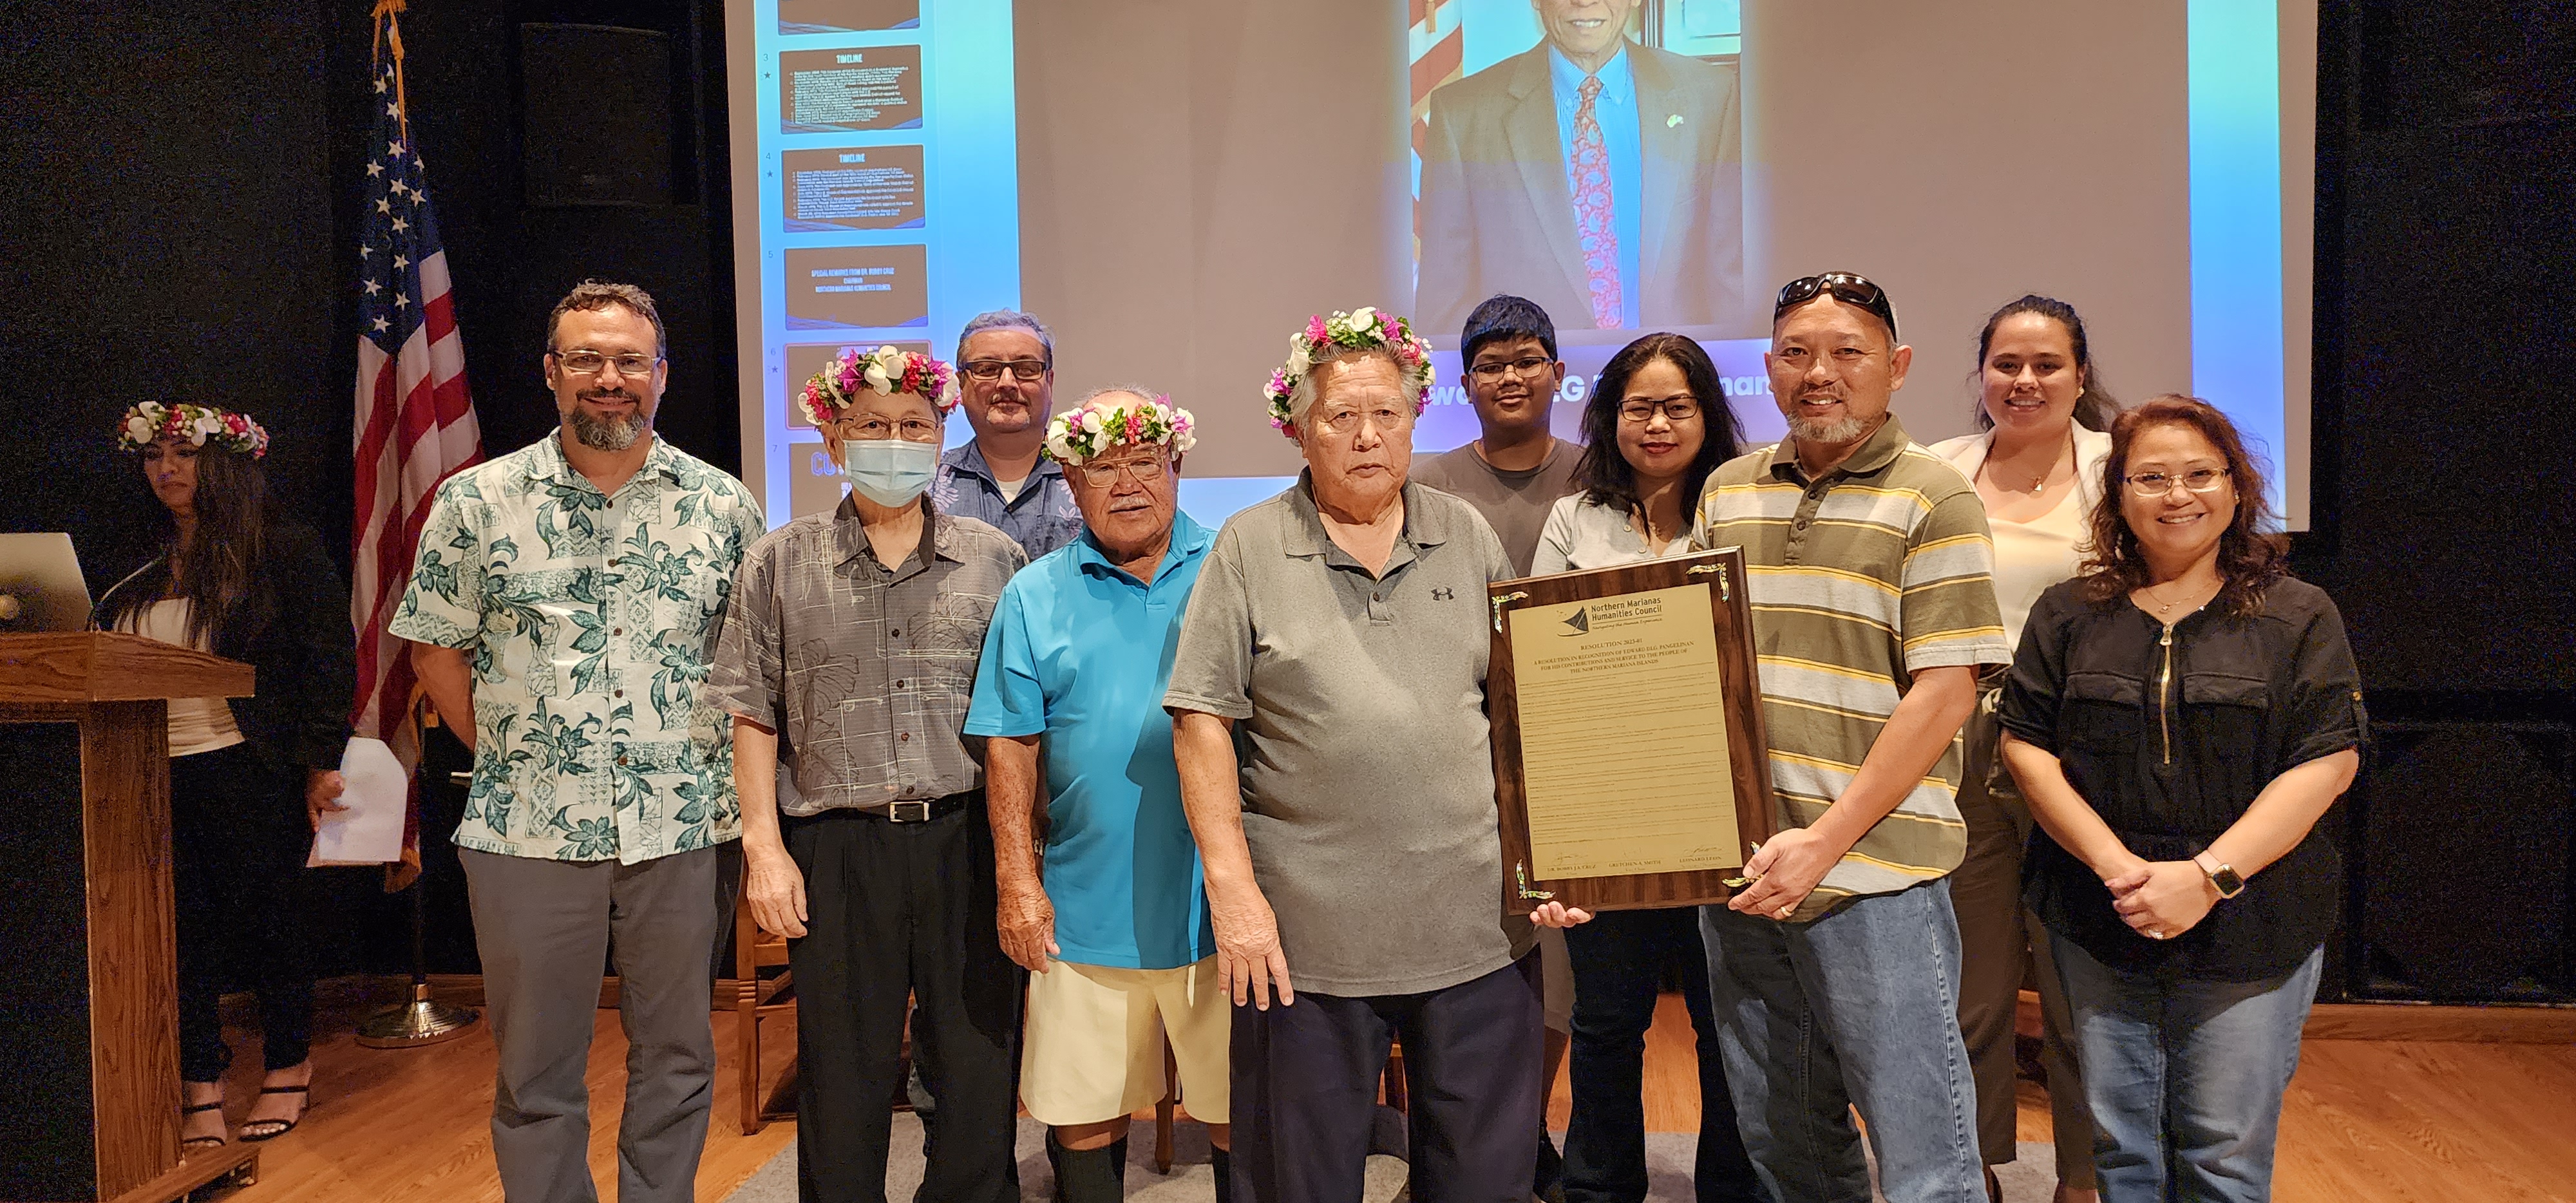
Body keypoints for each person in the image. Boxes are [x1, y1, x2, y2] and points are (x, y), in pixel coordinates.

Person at [1165, 307, 1589, 1203]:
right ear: (1299, 427)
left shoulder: (1467, 533)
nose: (1366, 437)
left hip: (1476, 926)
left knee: (1485, 1176)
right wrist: (1234, 895)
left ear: (1413, 422)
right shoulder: (1247, 545)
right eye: (1340, 418)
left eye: (1386, 416)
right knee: (1302, 1181)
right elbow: (1201, 719)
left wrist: (1562, 851)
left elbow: (1523, 713)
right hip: (1303, 944)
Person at [393, 281, 764, 1203]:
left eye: (630, 360)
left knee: (677, 1056)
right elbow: (436, 654)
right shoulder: (475, 501)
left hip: (682, 828)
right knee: (534, 1070)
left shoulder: (723, 508)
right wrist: (526, 759)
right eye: (587, 359)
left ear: (662, 376)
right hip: (525, 832)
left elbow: (750, 666)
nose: (610, 379)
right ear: (551, 373)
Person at [1689, 272, 2008, 1203]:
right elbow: (1687, 666)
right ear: (1768, 369)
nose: (1818, 373)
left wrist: (1823, 845)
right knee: (1784, 1138)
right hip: (1746, 870)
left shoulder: (1935, 499)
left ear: (1897, 368)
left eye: (1847, 353)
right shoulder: (1729, 490)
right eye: (1796, 353)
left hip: (1877, 877)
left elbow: (1945, 692)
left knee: (1923, 1153)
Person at [1998, 396, 2363, 1203]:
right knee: (2119, 1147)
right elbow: (2025, 743)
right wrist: (2118, 867)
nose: (2177, 495)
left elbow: (2326, 760)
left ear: (2236, 489)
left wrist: (2206, 876)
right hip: (2099, 909)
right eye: (2151, 477)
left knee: (2222, 1152)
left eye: (2200, 474)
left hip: (2252, 913)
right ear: (2118, 495)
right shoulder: (2067, 611)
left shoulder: (2299, 614)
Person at [711, 345, 1026, 1203]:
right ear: (833, 436)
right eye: (872, 427)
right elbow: (750, 713)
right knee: (843, 1075)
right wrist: (764, 852)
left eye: (913, 426)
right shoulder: (780, 563)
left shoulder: (997, 560)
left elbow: (1024, 721)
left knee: (975, 1064)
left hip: (967, 841)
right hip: (836, 848)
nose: (895, 442)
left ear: (940, 434)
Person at [963, 388, 1232, 1203]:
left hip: (1227, 908)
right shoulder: (1033, 593)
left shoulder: (1233, 567)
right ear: (1068, 484)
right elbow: (1010, 743)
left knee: (1235, 1111)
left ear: (1176, 465)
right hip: (1083, 906)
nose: (1124, 483)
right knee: (1082, 1112)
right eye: (1099, 466)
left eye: (1142, 461)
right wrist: (1017, 881)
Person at [1528, 334, 1759, 1203]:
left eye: (1677, 406)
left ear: (1708, 412)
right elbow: (1540, 665)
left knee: (1724, 1022)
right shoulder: (1574, 517)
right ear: (1608, 415)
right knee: (1605, 1021)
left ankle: (1731, 1189)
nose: (1657, 425)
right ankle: (1599, 1189)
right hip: (1609, 811)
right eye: (1638, 407)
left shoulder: (1741, 507)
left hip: (1724, 811)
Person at [97, 401, 351, 1151]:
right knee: (184, 932)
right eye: (154, 456)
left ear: (228, 462)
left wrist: (320, 760)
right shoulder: (132, 562)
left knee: (274, 920)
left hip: (250, 761)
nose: (166, 468)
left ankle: (287, 1065)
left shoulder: (282, 550)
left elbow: (327, 659)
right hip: (146, 770)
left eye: (184, 452)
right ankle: (198, 1080)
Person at [1928, 296, 2119, 1203]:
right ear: (1981, 375)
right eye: (2007, 364)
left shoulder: (2124, 472)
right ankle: (1975, 1170)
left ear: (2082, 375)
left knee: (2081, 984)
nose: (2026, 381)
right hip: (1957, 738)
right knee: (1972, 986)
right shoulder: (1938, 471)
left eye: (2047, 364)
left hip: (2084, 746)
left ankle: (2084, 1179)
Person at [1406, 292, 1582, 1200]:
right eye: (1491, 364)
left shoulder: (1600, 475)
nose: (1511, 377)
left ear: (1559, 370)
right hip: (1463, 756)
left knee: (1563, 969)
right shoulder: (1424, 484)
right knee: (1490, 953)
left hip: (1579, 753)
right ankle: (1502, 1145)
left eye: (1528, 359)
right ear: (1462, 382)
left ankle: (1535, 1135)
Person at [1417, 0, 1744, 335]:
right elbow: (1445, 298)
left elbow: (1730, 278)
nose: (1584, 2)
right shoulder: (1463, 114)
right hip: (1531, 382)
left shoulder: (1711, 96)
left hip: (1673, 378)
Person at [931, 309, 1084, 559]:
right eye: (988, 369)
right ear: (961, 384)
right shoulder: (929, 485)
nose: (1007, 383)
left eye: (1026, 368)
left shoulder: (1089, 476)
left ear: (1050, 382)